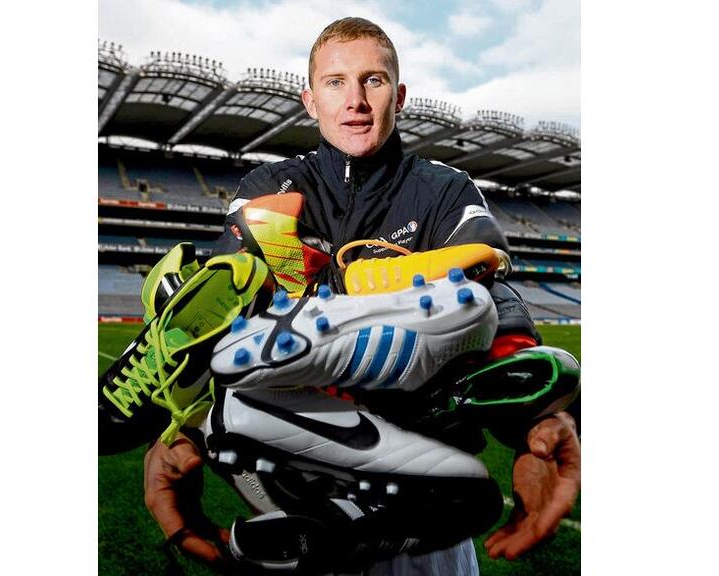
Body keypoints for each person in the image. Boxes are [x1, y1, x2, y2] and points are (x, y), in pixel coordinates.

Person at [142, 16, 580, 574]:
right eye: (335, 82)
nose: (355, 100)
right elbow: (223, 319)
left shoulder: (444, 188)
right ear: (309, 99)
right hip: (295, 507)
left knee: (464, 305)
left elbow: (491, 291)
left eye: (373, 81)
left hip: (423, 512)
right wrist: (177, 431)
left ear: (399, 95)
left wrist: (536, 420)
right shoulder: (268, 189)